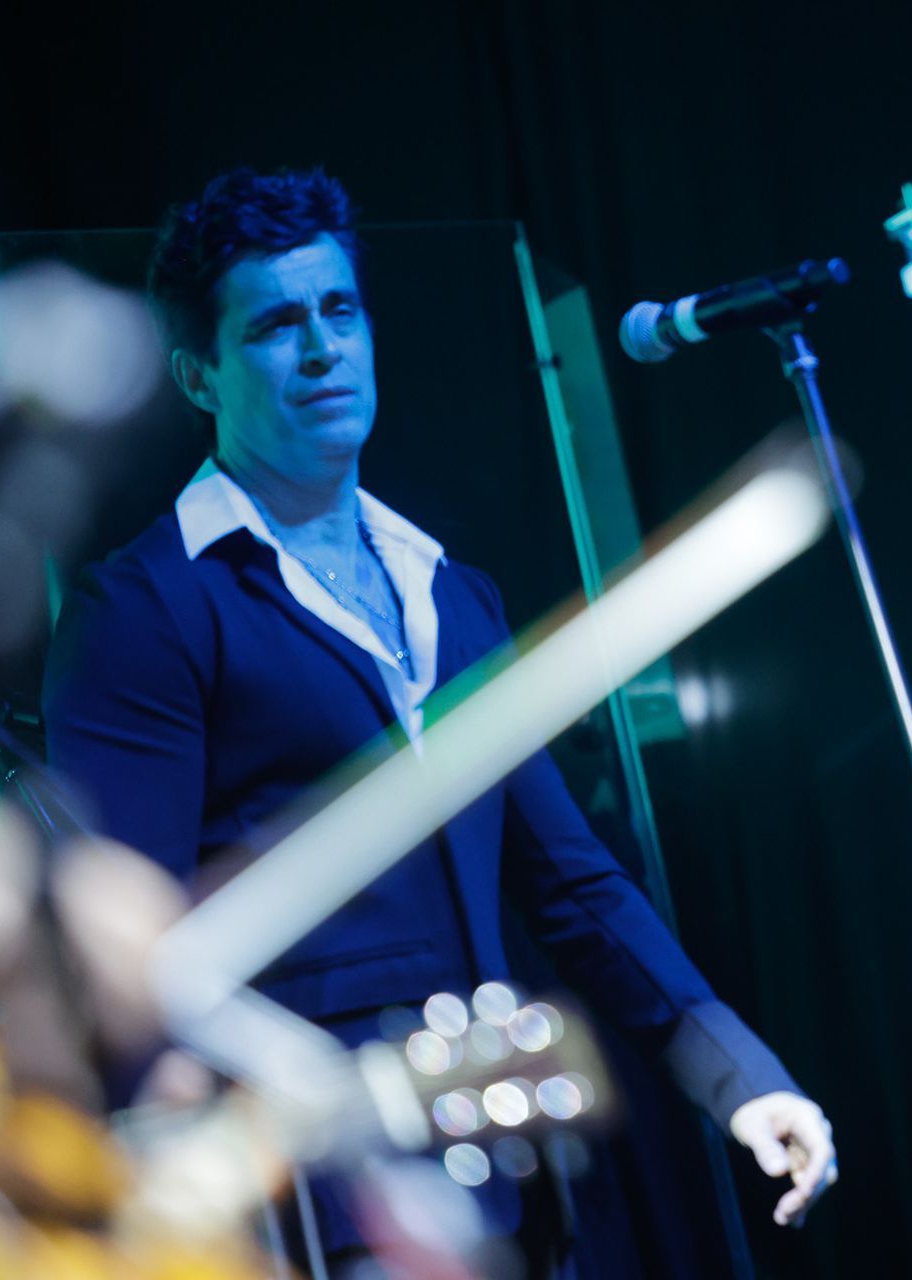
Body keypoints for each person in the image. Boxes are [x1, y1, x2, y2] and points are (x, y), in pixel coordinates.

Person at [41, 168, 834, 1273]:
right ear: (198, 375)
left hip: (512, 1159)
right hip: (321, 1203)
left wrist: (740, 1078)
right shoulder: (147, 607)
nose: (322, 349)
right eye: (274, 325)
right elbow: (127, 955)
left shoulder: (453, 594)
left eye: (340, 309)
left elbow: (574, 883)